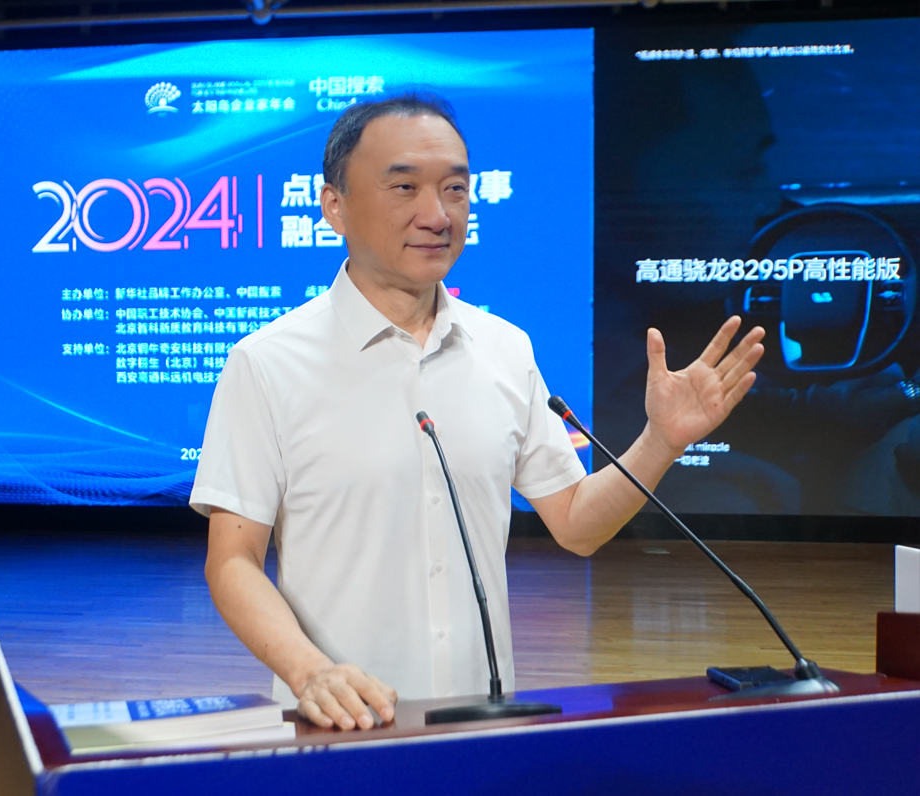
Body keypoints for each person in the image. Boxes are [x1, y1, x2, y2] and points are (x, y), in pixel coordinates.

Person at [189, 93, 764, 732]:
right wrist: (310, 672)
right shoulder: (267, 363)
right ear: (334, 207)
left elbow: (576, 525)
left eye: (456, 190)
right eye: (404, 186)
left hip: (481, 730)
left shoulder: (504, 349)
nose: (437, 215)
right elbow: (233, 560)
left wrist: (661, 440)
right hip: (339, 728)